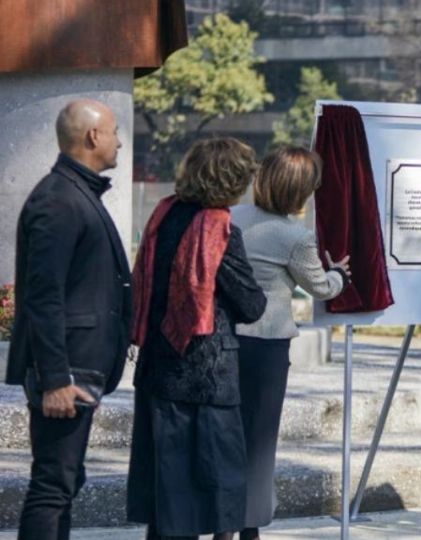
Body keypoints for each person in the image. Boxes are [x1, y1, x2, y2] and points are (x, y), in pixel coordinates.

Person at [125, 137, 266, 540]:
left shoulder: (162, 216)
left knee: (169, 492)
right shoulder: (220, 230)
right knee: (219, 488)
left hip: (158, 368)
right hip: (207, 377)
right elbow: (251, 305)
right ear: (229, 181)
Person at [6, 99, 131, 540]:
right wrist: (55, 377)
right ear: (93, 136)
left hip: (80, 366)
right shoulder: (59, 200)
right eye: (115, 131)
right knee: (53, 485)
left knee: (64, 482)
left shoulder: (75, 193)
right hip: (67, 372)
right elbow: (43, 297)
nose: (120, 140)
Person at [229, 147, 351, 540]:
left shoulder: (231, 217)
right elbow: (321, 288)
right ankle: (248, 528)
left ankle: (220, 524)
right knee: (259, 443)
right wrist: (339, 275)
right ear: (300, 191)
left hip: (225, 341)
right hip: (265, 348)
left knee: (224, 436)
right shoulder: (295, 237)